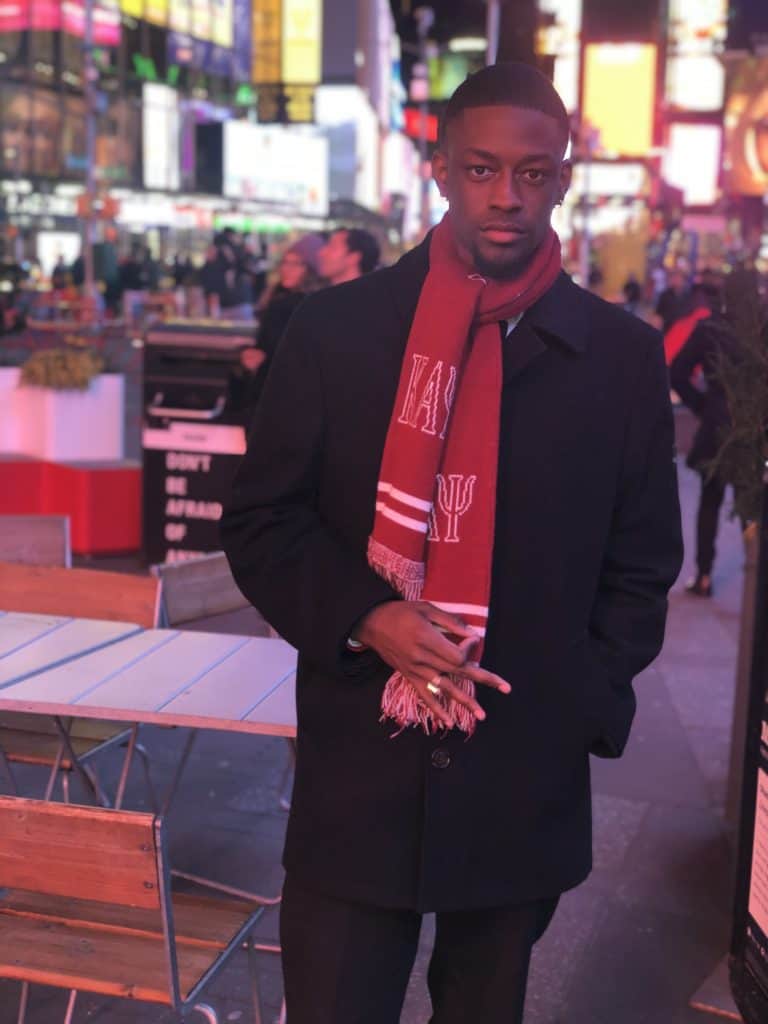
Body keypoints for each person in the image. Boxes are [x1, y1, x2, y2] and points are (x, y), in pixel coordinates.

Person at [221, 63, 683, 1024]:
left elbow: (642, 564)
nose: (507, 196)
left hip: (522, 768)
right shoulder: (337, 330)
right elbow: (264, 519)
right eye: (481, 169)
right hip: (360, 762)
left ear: (562, 180)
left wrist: (580, 700)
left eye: (532, 173)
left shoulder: (619, 357)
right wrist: (368, 617)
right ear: (440, 170)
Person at [670, 272, 746, 597]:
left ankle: (703, 574)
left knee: (710, 501)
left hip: (716, 425)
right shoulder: (760, 330)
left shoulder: (710, 328)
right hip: (751, 429)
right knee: (752, 506)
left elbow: (677, 372)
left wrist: (703, 405)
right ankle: (757, 574)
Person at [239, 233, 324, 405]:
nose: (286, 268)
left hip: (282, 389)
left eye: (296, 264)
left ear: (310, 269)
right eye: (285, 262)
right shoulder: (277, 296)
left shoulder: (296, 304)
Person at [655, 266, 689, 333]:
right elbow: (658, 313)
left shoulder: (688, 295)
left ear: (683, 280)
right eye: (674, 277)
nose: (676, 280)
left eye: (678, 277)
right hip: (668, 329)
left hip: (683, 330)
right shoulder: (665, 295)